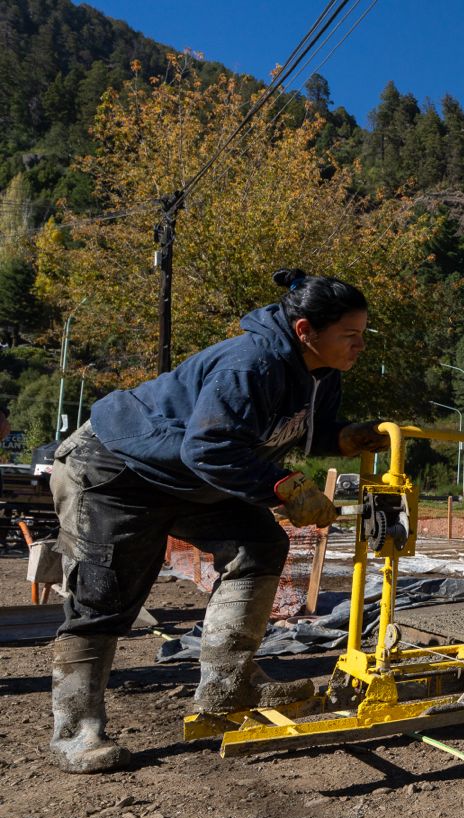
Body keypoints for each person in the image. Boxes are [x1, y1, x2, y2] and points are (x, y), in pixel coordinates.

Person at [47, 268, 389, 774]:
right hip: (114, 470)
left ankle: (228, 686)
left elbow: (289, 431)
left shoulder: (321, 374)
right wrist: (283, 487)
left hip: (185, 475)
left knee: (259, 543)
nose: (360, 346)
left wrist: (342, 438)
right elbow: (209, 447)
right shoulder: (250, 364)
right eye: (350, 336)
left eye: (364, 335)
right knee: (105, 597)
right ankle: (76, 732)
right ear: (305, 332)